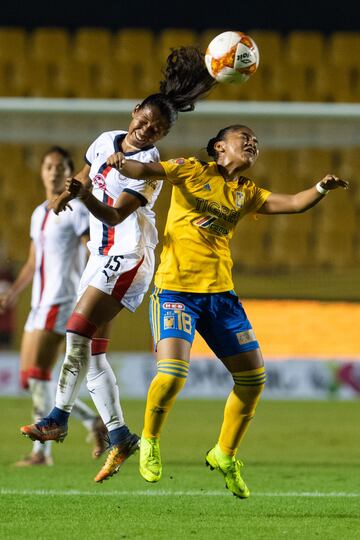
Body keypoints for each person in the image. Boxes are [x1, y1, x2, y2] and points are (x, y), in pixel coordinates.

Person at [88, 124, 347, 497]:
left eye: (256, 141)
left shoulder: (246, 193)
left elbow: (292, 203)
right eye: (245, 139)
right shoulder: (190, 169)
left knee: (253, 379)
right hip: (177, 290)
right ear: (220, 147)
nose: (253, 144)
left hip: (220, 297)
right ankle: (149, 441)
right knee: (173, 375)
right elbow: (145, 171)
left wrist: (321, 188)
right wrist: (119, 161)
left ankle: (225, 453)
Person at [20, 47, 215, 482]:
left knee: (75, 332)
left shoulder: (148, 167)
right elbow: (87, 179)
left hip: (129, 257)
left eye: (157, 129)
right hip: (100, 257)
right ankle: (120, 434)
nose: (147, 131)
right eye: (144, 121)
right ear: (134, 113)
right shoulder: (104, 141)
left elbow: (111, 215)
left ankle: (57, 417)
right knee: (92, 353)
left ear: (162, 134)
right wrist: (68, 194)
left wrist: (84, 196)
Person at [0, 146, 107, 466]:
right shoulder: (38, 213)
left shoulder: (77, 210)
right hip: (37, 303)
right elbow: (34, 262)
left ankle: (41, 452)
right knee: (30, 379)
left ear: (71, 173)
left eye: (61, 167)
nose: (54, 171)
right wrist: (15, 292)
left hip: (62, 300)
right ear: (42, 171)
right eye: (49, 166)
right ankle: (92, 421)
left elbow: (92, 248)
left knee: (38, 374)